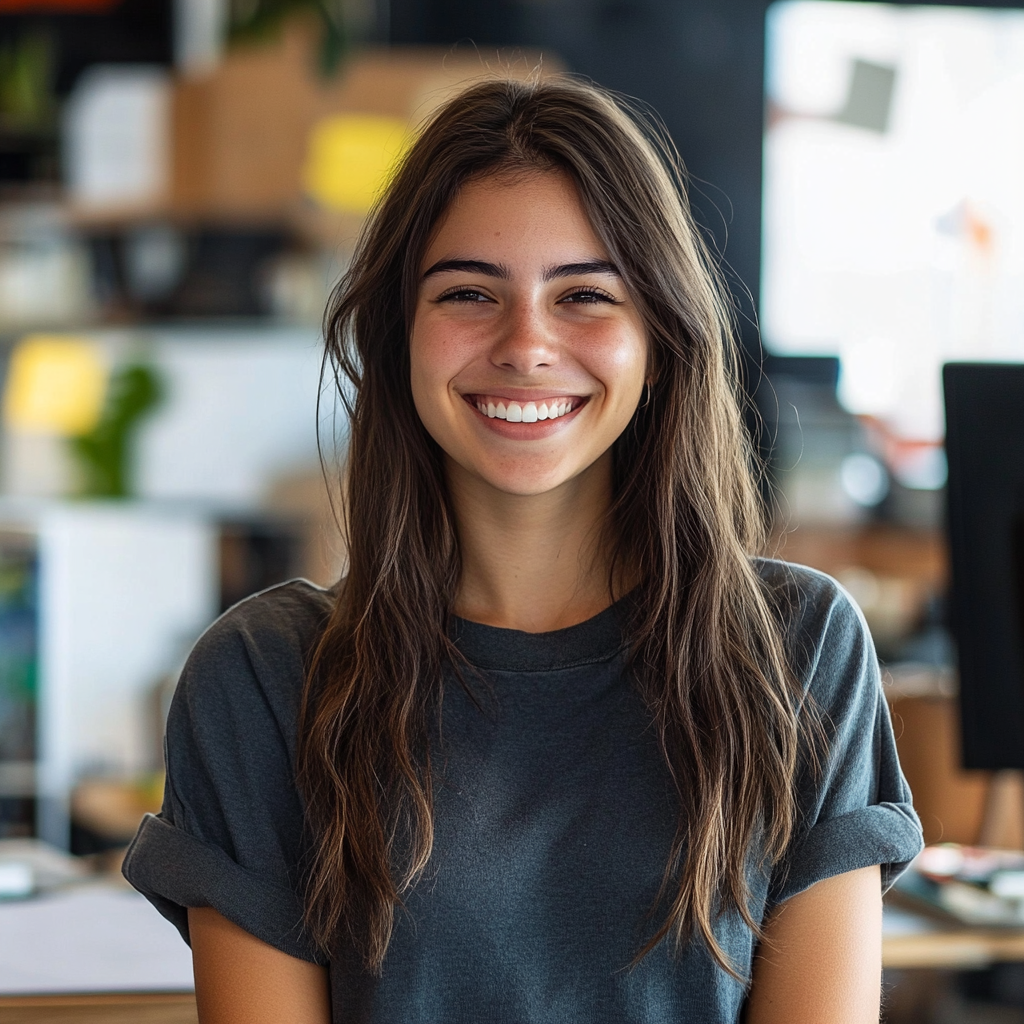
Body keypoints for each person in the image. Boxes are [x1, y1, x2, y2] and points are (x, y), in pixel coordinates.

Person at [123, 77, 923, 1024]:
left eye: (584, 294)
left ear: (659, 336)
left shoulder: (797, 648)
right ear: (398, 336)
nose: (527, 344)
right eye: (468, 292)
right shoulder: (263, 675)